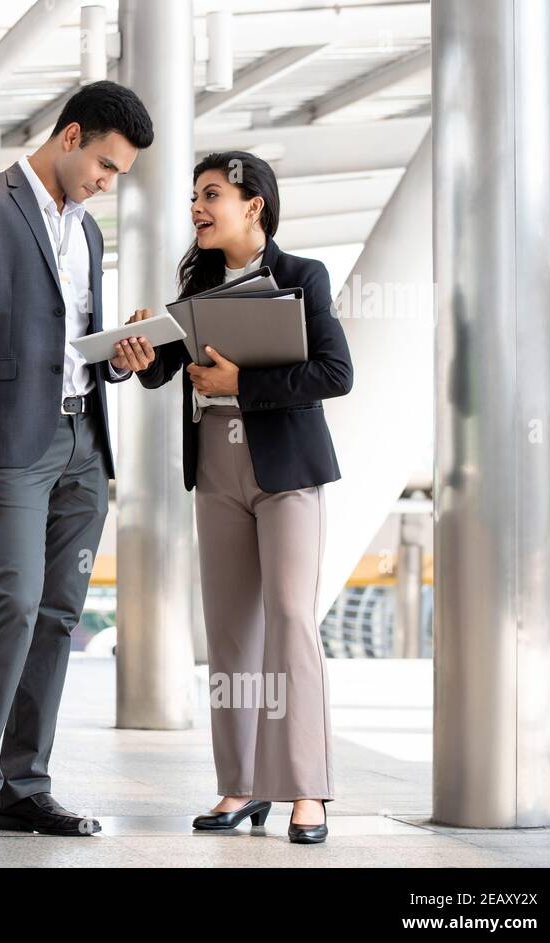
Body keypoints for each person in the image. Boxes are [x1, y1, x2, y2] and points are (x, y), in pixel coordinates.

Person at [0, 81, 157, 846]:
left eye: (118, 174)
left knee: (59, 616)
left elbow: (73, 341)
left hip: (84, 444)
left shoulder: (86, 231)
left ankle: (25, 785)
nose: (107, 182)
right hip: (11, 448)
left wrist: (120, 358)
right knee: (15, 602)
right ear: (71, 136)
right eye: (105, 165)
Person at [130, 150, 353, 844]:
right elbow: (160, 368)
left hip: (285, 469)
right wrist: (132, 355)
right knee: (230, 632)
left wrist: (241, 387)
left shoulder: (302, 277)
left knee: (290, 619)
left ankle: (307, 788)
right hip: (216, 470)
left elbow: (335, 372)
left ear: (254, 205)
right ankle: (242, 784)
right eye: (195, 197)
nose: (197, 208)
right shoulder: (194, 283)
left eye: (211, 194)